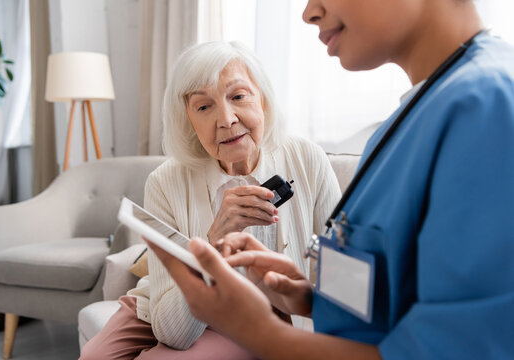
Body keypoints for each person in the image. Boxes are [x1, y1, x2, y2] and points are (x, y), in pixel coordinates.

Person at [150, 0, 514, 359]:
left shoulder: (485, 107)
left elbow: (462, 347)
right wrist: (312, 298)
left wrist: (262, 334)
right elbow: (399, 295)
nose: (308, 12)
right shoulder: (404, 123)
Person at [79, 41, 341, 359]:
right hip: (164, 304)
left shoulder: (306, 159)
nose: (226, 119)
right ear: (188, 120)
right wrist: (213, 241)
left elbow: (338, 274)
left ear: (264, 99)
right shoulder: (164, 182)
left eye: (238, 96)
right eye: (204, 107)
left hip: (248, 311)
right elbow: (172, 329)